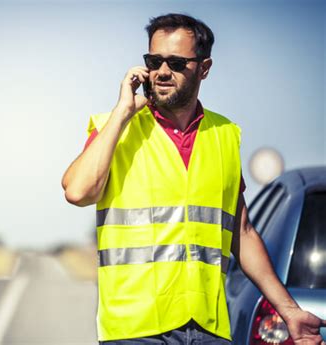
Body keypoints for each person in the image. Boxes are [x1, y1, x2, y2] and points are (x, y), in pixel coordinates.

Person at [61, 13, 326, 345]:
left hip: (208, 329)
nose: (161, 71)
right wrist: (123, 112)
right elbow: (78, 191)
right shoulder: (117, 127)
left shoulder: (224, 135)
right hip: (135, 330)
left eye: (175, 62)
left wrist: (289, 310)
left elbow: (241, 234)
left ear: (204, 68)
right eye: (154, 61)